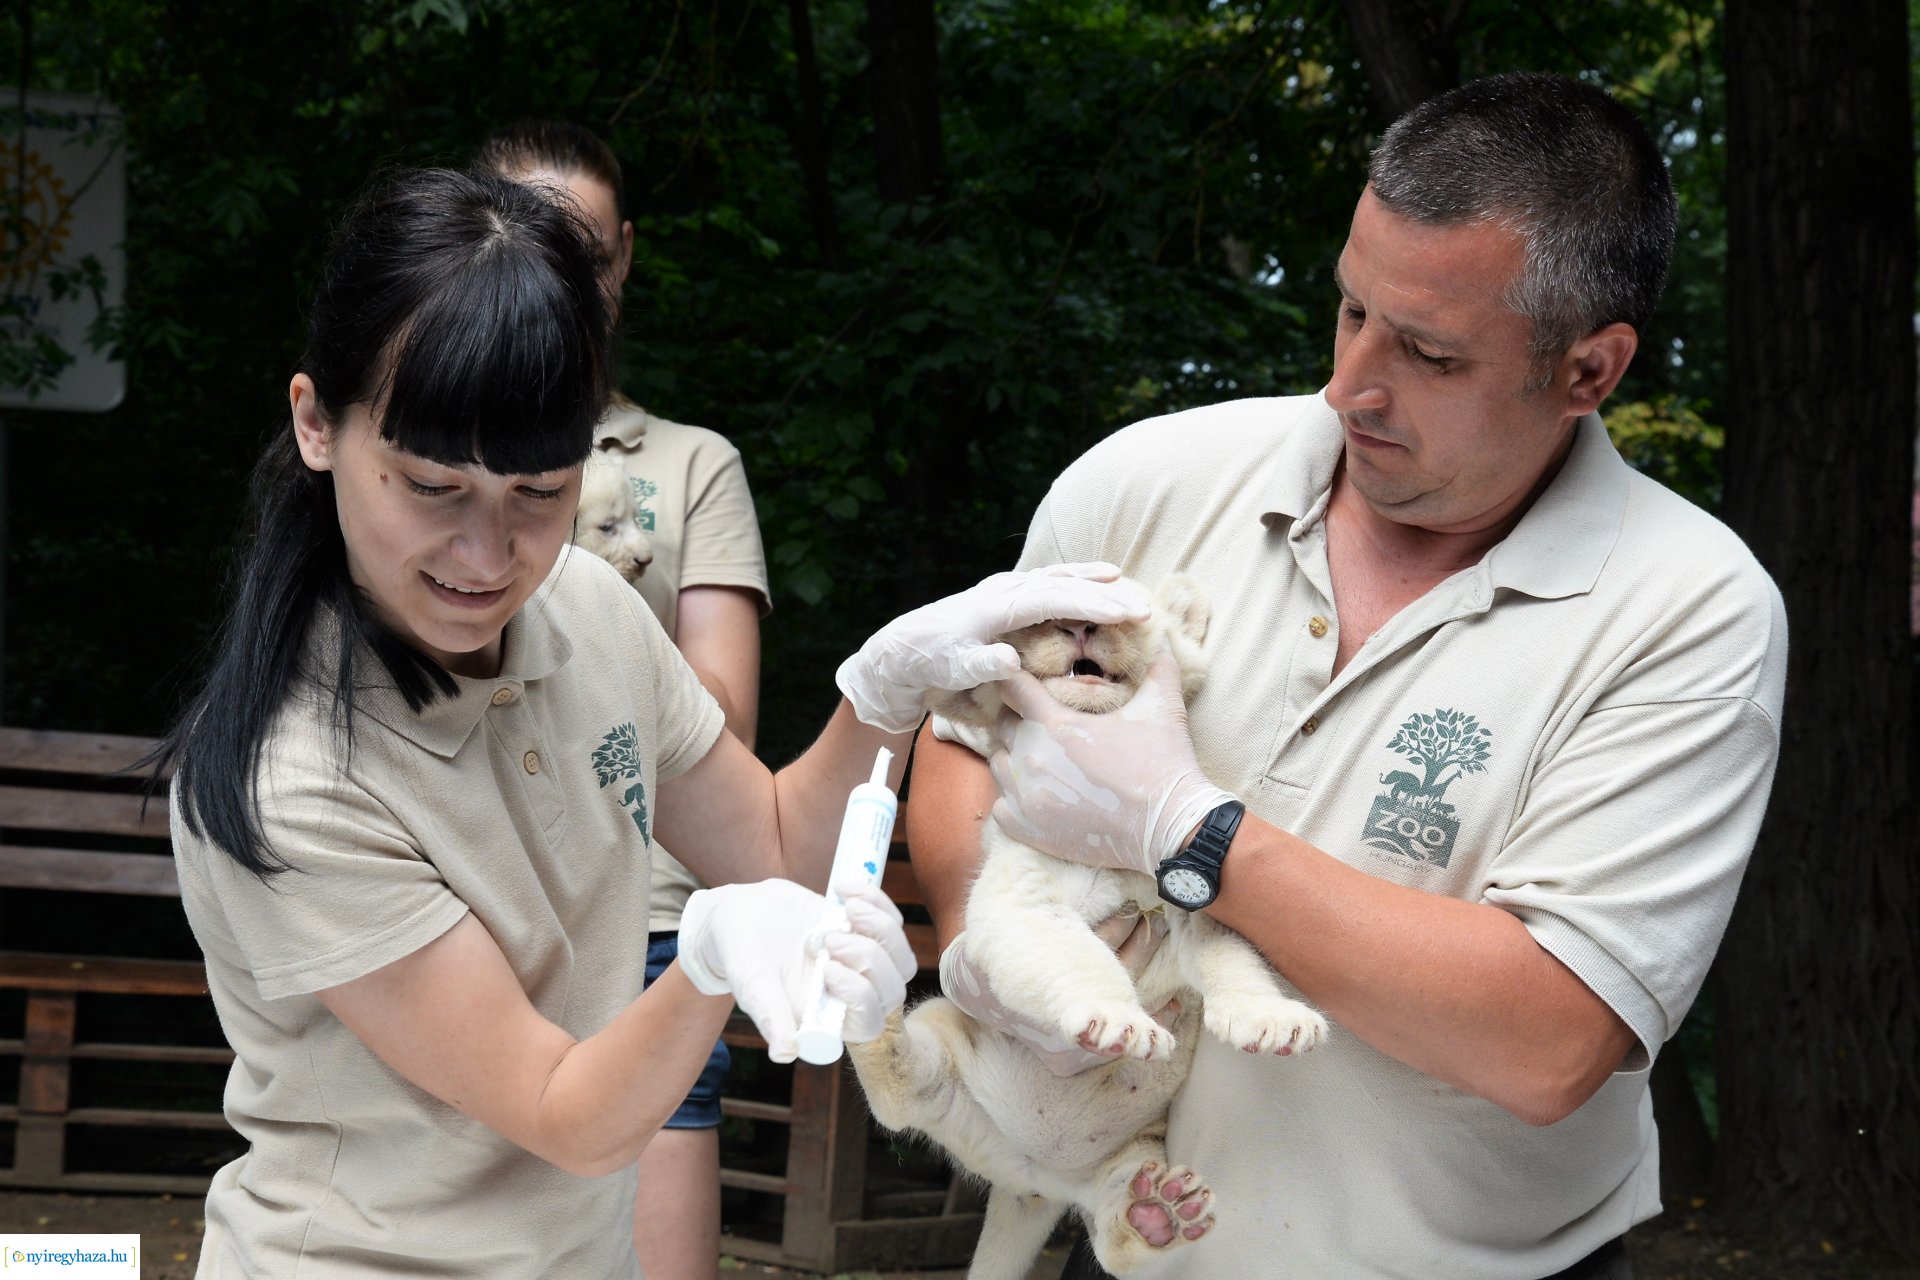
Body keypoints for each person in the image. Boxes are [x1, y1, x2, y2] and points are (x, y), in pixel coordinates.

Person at [158, 164, 1153, 1278]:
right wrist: (712, 957)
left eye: (540, 492)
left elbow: (776, 844)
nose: (487, 556)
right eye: (432, 487)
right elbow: (563, 1110)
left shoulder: (584, 605)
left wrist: (883, 694)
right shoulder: (294, 775)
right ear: (316, 422)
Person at [907, 72, 1787, 1280]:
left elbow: (1552, 1038)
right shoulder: (1145, 481)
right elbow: (961, 742)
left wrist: (1190, 832)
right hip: (1139, 1242)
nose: (1351, 386)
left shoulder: (1688, 607)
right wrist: (997, 947)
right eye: (1351, 309)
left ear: (1589, 369)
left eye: (1428, 352)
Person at [474, 118, 768, 1280]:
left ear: (625, 259)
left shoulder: (690, 463)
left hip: (649, 907)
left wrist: (583, 593)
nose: (559, 279)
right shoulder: (411, 445)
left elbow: (723, 719)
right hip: (462, 892)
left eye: (585, 253)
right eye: (530, 241)